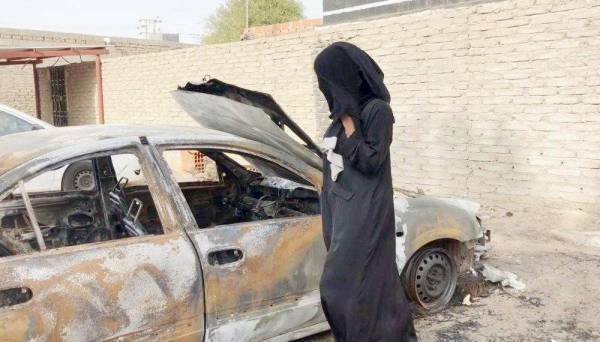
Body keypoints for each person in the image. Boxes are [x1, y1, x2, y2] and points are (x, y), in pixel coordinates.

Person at [315, 42, 417, 342]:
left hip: (366, 213)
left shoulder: (377, 111)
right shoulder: (339, 119)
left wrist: (348, 122)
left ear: (345, 78)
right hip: (343, 210)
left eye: (329, 82)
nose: (327, 91)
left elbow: (371, 160)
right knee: (367, 290)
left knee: (343, 290)